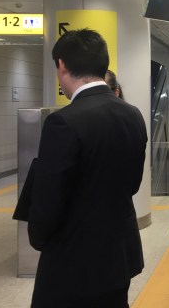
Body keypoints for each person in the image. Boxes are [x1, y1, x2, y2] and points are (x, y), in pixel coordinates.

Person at [27, 29, 147, 308]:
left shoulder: (64, 122)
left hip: (74, 261)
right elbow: (132, 184)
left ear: (62, 65)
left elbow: (48, 202)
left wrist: (39, 238)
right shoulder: (133, 115)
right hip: (118, 255)